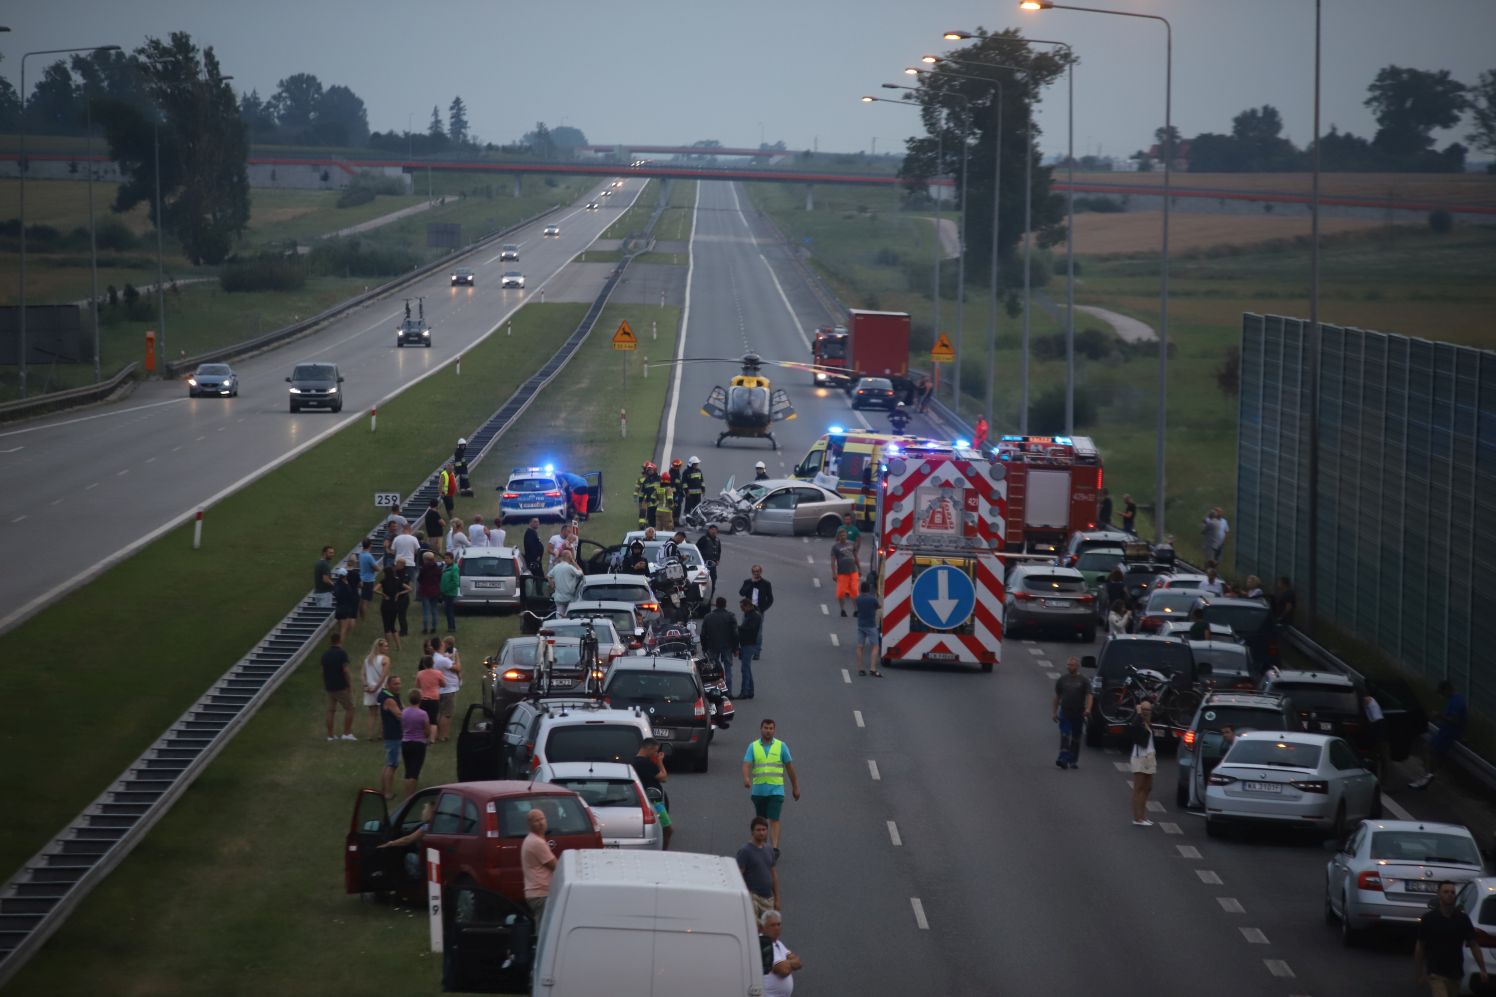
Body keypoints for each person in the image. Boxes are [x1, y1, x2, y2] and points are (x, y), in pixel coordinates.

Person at [1416, 880, 1489, 996]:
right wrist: (1419, 973)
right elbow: (1420, 946)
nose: (1450, 894)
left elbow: (1474, 945)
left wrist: (1482, 969)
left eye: (1453, 892)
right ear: (1439, 894)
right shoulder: (1429, 919)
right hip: (1435, 972)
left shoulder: (1462, 919)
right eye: (1446, 892)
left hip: (1455, 973)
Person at [743, 719, 799, 855]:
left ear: (774, 730)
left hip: (776, 790)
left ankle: (774, 849)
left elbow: (790, 768)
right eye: (766, 728)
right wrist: (746, 778)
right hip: (758, 791)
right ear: (761, 729)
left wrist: (795, 787)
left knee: (774, 818)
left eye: (771, 728)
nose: (768, 730)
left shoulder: (781, 746)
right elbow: (746, 764)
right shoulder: (753, 746)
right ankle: (762, 846)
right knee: (761, 820)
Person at [1412, 681, 1468, 790]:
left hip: (1449, 733)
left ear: (1447, 690)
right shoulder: (1455, 699)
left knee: (1428, 749)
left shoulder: (1457, 702)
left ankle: (1428, 775)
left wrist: (1439, 715)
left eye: (1442, 692)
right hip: (1446, 731)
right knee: (1433, 753)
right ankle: (1429, 774)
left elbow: (1454, 720)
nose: (1442, 695)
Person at [377, 800, 435, 882]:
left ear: (430, 812)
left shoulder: (426, 828)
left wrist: (391, 843)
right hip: (432, 861)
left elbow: (408, 840)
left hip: (426, 863)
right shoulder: (436, 825)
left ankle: (416, 881)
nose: (422, 811)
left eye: (424, 809)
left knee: (409, 857)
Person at [1052, 656, 1093, 769]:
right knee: (1065, 735)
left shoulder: (1083, 680)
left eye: (1072, 665)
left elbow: (1089, 695)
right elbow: (1057, 696)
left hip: (1078, 713)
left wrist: (1088, 709)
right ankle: (1063, 758)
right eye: (1068, 665)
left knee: (1076, 737)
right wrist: (1054, 712)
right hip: (1065, 712)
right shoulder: (1062, 680)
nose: (1069, 667)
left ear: (1077, 666)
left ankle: (1073, 760)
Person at [632, 739, 673, 850]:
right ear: (649, 748)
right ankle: (663, 851)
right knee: (667, 829)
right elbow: (663, 777)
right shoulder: (646, 763)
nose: (655, 754)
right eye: (655, 751)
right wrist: (660, 761)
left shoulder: (632, 762)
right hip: (655, 802)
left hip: (641, 799)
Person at [737, 816, 779, 919]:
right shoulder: (745, 851)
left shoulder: (769, 849)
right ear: (752, 832)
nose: (761, 833)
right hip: (753, 898)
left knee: (768, 930)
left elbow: (773, 875)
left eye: (764, 830)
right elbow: (738, 876)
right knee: (753, 929)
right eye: (758, 830)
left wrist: (777, 899)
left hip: (768, 899)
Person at [522, 809, 558, 926]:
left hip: (537, 893)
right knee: (544, 930)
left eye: (542, 819)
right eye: (536, 820)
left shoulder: (532, 840)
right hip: (541, 894)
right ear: (530, 824)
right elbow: (555, 866)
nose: (541, 823)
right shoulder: (537, 843)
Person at [321, 632, 356, 741]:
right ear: (340, 641)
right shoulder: (341, 653)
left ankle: (330, 735)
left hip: (329, 686)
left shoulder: (325, 655)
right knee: (350, 708)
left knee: (331, 710)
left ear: (330, 641)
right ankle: (346, 733)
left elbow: (323, 671)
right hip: (340, 686)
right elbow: (345, 670)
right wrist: (350, 684)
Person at [700, 597, 740, 693]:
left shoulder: (708, 617)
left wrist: (704, 647)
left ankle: (715, 691)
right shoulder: (730, 616)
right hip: (727, 646)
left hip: (712, 646)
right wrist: (735, 648)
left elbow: (703, 634)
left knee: (713, 670)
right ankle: (729, 691)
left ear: (716, 605)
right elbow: (735, 634)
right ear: (725, 605)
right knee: (728, 668)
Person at [759, 910, 802, 997]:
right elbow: (783, 970)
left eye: (779, 924)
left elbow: (799, 963)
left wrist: (787, 963)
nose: (777, 928)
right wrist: (789, 963)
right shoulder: (762, 943)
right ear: (763, 927)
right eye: (772, 925)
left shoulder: (778, 943)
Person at [1129, 701, 1158, 826]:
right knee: (1138, 789)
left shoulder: (1147, 723)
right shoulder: (1138, 723)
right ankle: (1137, 818)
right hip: (1140, 757)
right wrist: (1138, 713)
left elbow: (1159, 710)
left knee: (1148, 788)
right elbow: (1135, 730)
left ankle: (1143, 816)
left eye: (1149, 709)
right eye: (1144, 709)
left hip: (1150, 757)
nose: (1147, 712)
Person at [377, 674, 404, 800]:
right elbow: (400, 715)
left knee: (389, 763)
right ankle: (387, 793)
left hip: (390, 733)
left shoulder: (388, 696)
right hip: (394, 734)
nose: (398, 686)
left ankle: (383, 789)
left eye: (399, 683)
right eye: (395, 684)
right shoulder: (390, 700)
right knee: (392, 764)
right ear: (388, 685)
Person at [360, 637, 392, 740]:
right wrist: (377, 687)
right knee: (384, 713)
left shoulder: (368, 659)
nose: (387, 648)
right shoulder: (385, 659)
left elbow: (362, 674)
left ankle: (370, 735)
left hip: (369, 688)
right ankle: (381, 734)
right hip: (380, 688)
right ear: (379, 647)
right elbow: (383, 676)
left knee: (372, 713)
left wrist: (365, 685)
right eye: (385, 646)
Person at [400, 689, 429, 798]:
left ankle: (406, 793)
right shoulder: (423, 714)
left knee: (408, 770)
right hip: (418, 744)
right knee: (414, 771)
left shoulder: (404, 712)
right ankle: (410, 796)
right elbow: (427, 731)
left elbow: (403, 727)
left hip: (406, 743)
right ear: (420, 699)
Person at [434, 636, 462, 743]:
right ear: (440, 646)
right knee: (447, 713)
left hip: (442, 689)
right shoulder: (442, 659)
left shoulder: (437, 657)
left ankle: (438, 734)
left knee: (441, 713)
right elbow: (458, 668)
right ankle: (443, 735)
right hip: (448, 689)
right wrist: (457, 656)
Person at [740, 565, 774, 652]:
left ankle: (757, 650)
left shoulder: (766, 584)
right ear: (752, 572)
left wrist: (763, 608)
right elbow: (742, 593)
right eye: (754, 572)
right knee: (744, 629)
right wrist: (751, 583)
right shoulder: (747, 582)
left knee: (758, 632)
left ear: (760, 572)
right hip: (748, 610)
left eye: (757, 571)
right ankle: (744, 648)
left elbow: (770, 599)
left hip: (759, 611)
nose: (756, 573)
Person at [853, 581, 882, 677]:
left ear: (860, 589)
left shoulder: (858, 599)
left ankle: (860, 669)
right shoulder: (872, 599)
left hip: (861, 625)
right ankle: (872, 668)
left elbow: (856, 610)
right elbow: (878, 607)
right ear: (869, 589)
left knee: (860, 647)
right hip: (871, 625)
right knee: (875, 646)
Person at [738, 599, 762, 699]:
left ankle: (745, 691)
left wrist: (739, 628)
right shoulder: (750, 615)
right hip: (746, 643)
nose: (741, 609)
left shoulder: (755, 616)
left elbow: (750, 629)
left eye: (742, 607)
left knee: (745, 669)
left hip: (749, 644)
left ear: (748, 606)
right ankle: (750, 690)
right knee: (747, 668)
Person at [547, 550, 584, 616]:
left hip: (559, 598)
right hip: (569, 598)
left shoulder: (556, 567)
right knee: (570, 617)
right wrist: (574, 562)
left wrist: (552, 584)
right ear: (569, 557)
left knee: (559, 616)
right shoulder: (570, 568)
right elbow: (581, 573)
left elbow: (548, 575)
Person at [416, 655, 442, 742]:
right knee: (433, 720)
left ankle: (423, 737)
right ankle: (432, 739)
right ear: (433, 663)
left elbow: (417, 686)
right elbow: (444, 684)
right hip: (434, 698)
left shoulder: (420, 673)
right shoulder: (438, 673)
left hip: (423, 698)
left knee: (424, 719)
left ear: (423, 664)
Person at [416, 551, 443, 635]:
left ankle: (425, 628)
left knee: (426, 611)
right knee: (434, 609)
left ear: (425, 559)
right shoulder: (437, 568)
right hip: (435, 591)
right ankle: (434, 627)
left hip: (425, 591)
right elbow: (439, 579)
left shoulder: (424, 568)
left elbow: (419, 579)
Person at [332, 565, 360, 642]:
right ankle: (339, 646)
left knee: (339, 629)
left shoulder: (337, 584)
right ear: (345, 575)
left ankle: (335, 643)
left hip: (339, 608)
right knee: (343, 630)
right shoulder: (346, 585)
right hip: (345, 609)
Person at [357, 538, 380, 620]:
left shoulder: (361, 554)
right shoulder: (369, 556)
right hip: (368, 580)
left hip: (362, 578)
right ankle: (364, 618)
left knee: (362, 599)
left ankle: (361, 616)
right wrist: (375, 568)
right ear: (370, 545)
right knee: (365, 601)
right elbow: (377, 568)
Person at [439, 551, 460, 631]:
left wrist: (446, 588)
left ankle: (451, 627)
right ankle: (450, 626)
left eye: (447, 558)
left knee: (449, 611)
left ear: (452, 559)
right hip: (445, 592)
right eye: (445, 558)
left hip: (450, 593)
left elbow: (455, 582)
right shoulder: (446, 567)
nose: (446, 560)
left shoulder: (454, 568)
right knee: (447, 611)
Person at [697, 524, 722, 589]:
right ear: (709, 530)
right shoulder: (704, 538)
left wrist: (718, 560)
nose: (714, 531)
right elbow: (697, 548)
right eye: (712, 530)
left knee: (713, 579)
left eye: (715, 530)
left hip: (713, 564)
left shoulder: (717, 540)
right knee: (702, 579)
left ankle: (711, 592)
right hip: (704, 564)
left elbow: (719, 551)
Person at [313, 545, 336, 609]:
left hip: (318, 593)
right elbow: (325, 579)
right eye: (330, 553)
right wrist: (334, 585)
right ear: (324, 553)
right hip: (325, 594)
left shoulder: (318, 563)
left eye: (333, 553)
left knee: (319, 614)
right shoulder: (325, 564)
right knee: (325, 613)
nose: (332, 554)